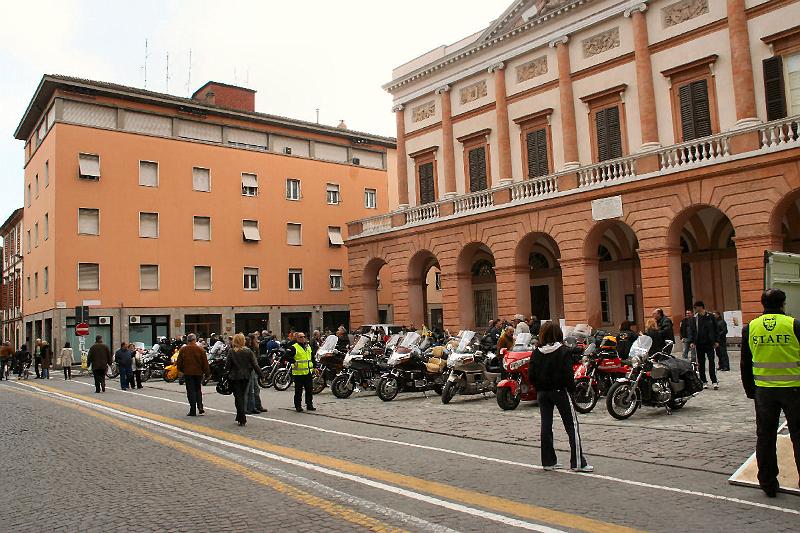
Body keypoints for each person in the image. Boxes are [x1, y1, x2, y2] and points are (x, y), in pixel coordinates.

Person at [740, 288, 800, 498]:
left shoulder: (751, 328)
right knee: (798, 437)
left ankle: (767, 482)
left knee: (765, 437)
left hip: (764, 391)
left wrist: (750, 390)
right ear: (783, 303)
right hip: (794, 389)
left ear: (762, 304)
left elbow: (745, 363)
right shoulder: (794, 324)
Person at [529, 321, 592, 473]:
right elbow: (568, 374)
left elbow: (531, 375)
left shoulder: (537, 352)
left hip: (543, 393)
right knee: (572, 426)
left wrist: (539, 387)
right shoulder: (562, 351)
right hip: (560, 391)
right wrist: (571, 389)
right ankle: (578, 462)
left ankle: (548, 461)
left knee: (546, 426)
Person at [226, 333, 263, 426]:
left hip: (234, 377)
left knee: (238, 397)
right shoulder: (248, 351)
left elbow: (228, 366)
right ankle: (240, 415)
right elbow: (255, 364)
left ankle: (241, 416)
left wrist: (226, 373)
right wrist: (261, 375)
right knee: (242, 395)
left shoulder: (231, 351)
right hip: (246, 376)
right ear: (243, 341)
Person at [176, 334, 210, 416]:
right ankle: (200, 407)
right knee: (198, 389)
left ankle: (193, 409)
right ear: (195, 340)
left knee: (190, 390)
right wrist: (207, 373)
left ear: (188, 340)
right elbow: (205, 363)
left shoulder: (183, 349)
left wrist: (180, 370)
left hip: (188, 373)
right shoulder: (201, 349)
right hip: (198, 373)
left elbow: (179, 362)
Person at [689, 301, 719, 390]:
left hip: (710, 343)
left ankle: (714, 381)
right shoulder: (695, 318)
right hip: (699, 343)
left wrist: (716, 340)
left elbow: (716, 329)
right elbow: (692, 330)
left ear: (701, 307)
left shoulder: (710, 316)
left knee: (711, 362)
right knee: (701, 363)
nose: (695, 309)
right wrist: (692, 341)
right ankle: (703, 381)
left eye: (696, 307)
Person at [287, 332, 316, 412]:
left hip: (308, 372)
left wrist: (315, 367)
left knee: (309, 390)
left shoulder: (308, 346)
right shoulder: (294, 347)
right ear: (297, 338)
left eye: (304, 336)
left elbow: (312, 358)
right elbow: (286, 356)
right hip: (298, 373)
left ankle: (309, 404)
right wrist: (293, 361)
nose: (303, 338)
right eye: (300, 337)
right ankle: (298, 406)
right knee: (298, 391)